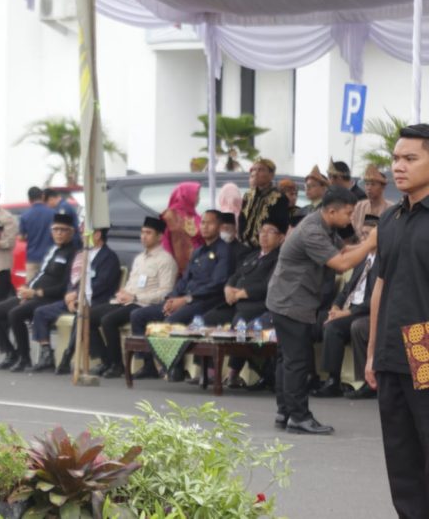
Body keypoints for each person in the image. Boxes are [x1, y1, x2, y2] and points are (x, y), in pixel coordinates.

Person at [265, 186, 377, 435]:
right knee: (297, 361)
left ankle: (285, 411)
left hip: (290, 299)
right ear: (332, 210)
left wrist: (365, 246)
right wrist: (370, 242)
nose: (351, 219)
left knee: (287, 359)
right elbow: (341, 264)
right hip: (291, 301)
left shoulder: (324, 225)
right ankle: (299, 417)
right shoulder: (312, 231)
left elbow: (343, 251)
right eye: (348, 213)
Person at [365, 123, 429, 515]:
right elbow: (379, 287)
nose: (398, 167)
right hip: (391, 348)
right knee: (401, 457)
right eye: (395, 158)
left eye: (410, 158)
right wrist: (372, 351)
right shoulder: (388, 222)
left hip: (424, 343)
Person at [130, 209, 232, 379]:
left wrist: (185, 299)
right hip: (184, 299)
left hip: (206, 301)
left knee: (171, 322)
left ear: (220, 227)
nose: (205, 226)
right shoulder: (198, 251)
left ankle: (175, 368)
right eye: (203, 222)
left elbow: (218, 284)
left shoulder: (224, 251)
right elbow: (184, 279)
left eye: (210, 223)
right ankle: (150, 366)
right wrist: (172, 298)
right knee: (138, 315)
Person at [0, 212, 80, 372]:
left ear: (71, 232)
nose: (58, 233)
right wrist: (26, 288)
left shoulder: (74, 254)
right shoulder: (53, 250)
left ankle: (25, 358)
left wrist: (36, 293)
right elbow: (40, 275)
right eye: (55, 229)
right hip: (33, 295)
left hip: (49, 298)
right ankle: (11, 353)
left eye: (63, 230)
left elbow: (65, 286)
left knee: (16, 313)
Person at [87, 216, 178, 379]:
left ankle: (117, 365)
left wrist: (134, 296)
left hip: (143, 304)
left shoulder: (166, 260)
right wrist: (123, 294)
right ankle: (106, 360)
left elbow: (166, 292)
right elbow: (131, 284)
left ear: (159, 237)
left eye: (148, 233)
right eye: (142, 232)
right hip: (127, 301)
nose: (144, 236)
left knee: (108, 320)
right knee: (88, 316)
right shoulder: (139, 259)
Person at [202, 218, 286, 388]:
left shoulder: (279, 259)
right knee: (208, 319)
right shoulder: (252, 255)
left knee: (239, 324)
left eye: (270, 232)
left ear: (281, 238)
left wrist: (241, 293)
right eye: (262, 231)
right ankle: (206, 372)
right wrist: (228, 288)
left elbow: (268, 286)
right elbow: (235, 275)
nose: (264, 235)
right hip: (234, 302)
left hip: (257, 305)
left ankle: (233, 373)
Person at [28, 227, 120, 373]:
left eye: (86, 234)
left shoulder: (108, 257)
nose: (82, 236)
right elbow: (72, 280)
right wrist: (70, 296)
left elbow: (101, 284)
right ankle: (47, 355)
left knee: (83, 318)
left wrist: (77, 296)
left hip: (95, 300)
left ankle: (69, 357)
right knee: (40, 312)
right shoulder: (81, 254)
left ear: (97, 235)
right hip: (74, 299)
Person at [311, 214, 379, 398]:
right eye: (362, 235)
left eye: (368, 235)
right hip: (349, 310)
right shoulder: (362, 259)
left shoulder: (383, 261)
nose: (363, 239)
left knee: (339, 327)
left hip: (366, 311)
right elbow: (347, 289)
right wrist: (335, 307)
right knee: (315, 321)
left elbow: (375, 298)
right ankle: (313, 376)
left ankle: (345, 381)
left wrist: (346, 313)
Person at [238, 158, 290, 249]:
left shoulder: (279, 198)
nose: (256, 173)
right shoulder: (248, 195)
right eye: (254, 170)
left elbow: (280, 226)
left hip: (266, 248)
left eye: (261, 170)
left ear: (271, 175)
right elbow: (241, 219)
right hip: (244, 247)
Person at [161, 181, 204, 276]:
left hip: (198, 267)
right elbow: (165, 243)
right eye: (196, 194)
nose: (198, 198)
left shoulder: (196, 216)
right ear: (185, 195)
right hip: (176, 271)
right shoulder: (171, 216)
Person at [19, 187, 54, 284]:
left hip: (32, 257)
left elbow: (21, 237)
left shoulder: (25, 216)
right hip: (50, 256)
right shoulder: (52, 213)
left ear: (29, 199)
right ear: (42, 196)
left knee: (31, 287)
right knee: (49, 286)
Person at [351, 164, 394, 232]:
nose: (369, 188)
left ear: (382, 187)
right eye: (367, 184)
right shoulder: (359, 206)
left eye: (373, 184)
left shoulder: (391, 209)